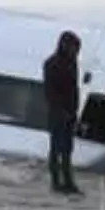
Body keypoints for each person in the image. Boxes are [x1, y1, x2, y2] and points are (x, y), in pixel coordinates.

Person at [43, 30, 84, 196]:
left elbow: (74, 90)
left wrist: (74, 111)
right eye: (73, 47)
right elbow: (50, 92)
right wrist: (61, 111)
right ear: (64, 45)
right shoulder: (52, 63)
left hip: (70, 112)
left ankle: (68, 182)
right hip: (57, 113)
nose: (75, 51)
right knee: (56, 148)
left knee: (67, 150)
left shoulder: (72, 63)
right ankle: (55, 182)